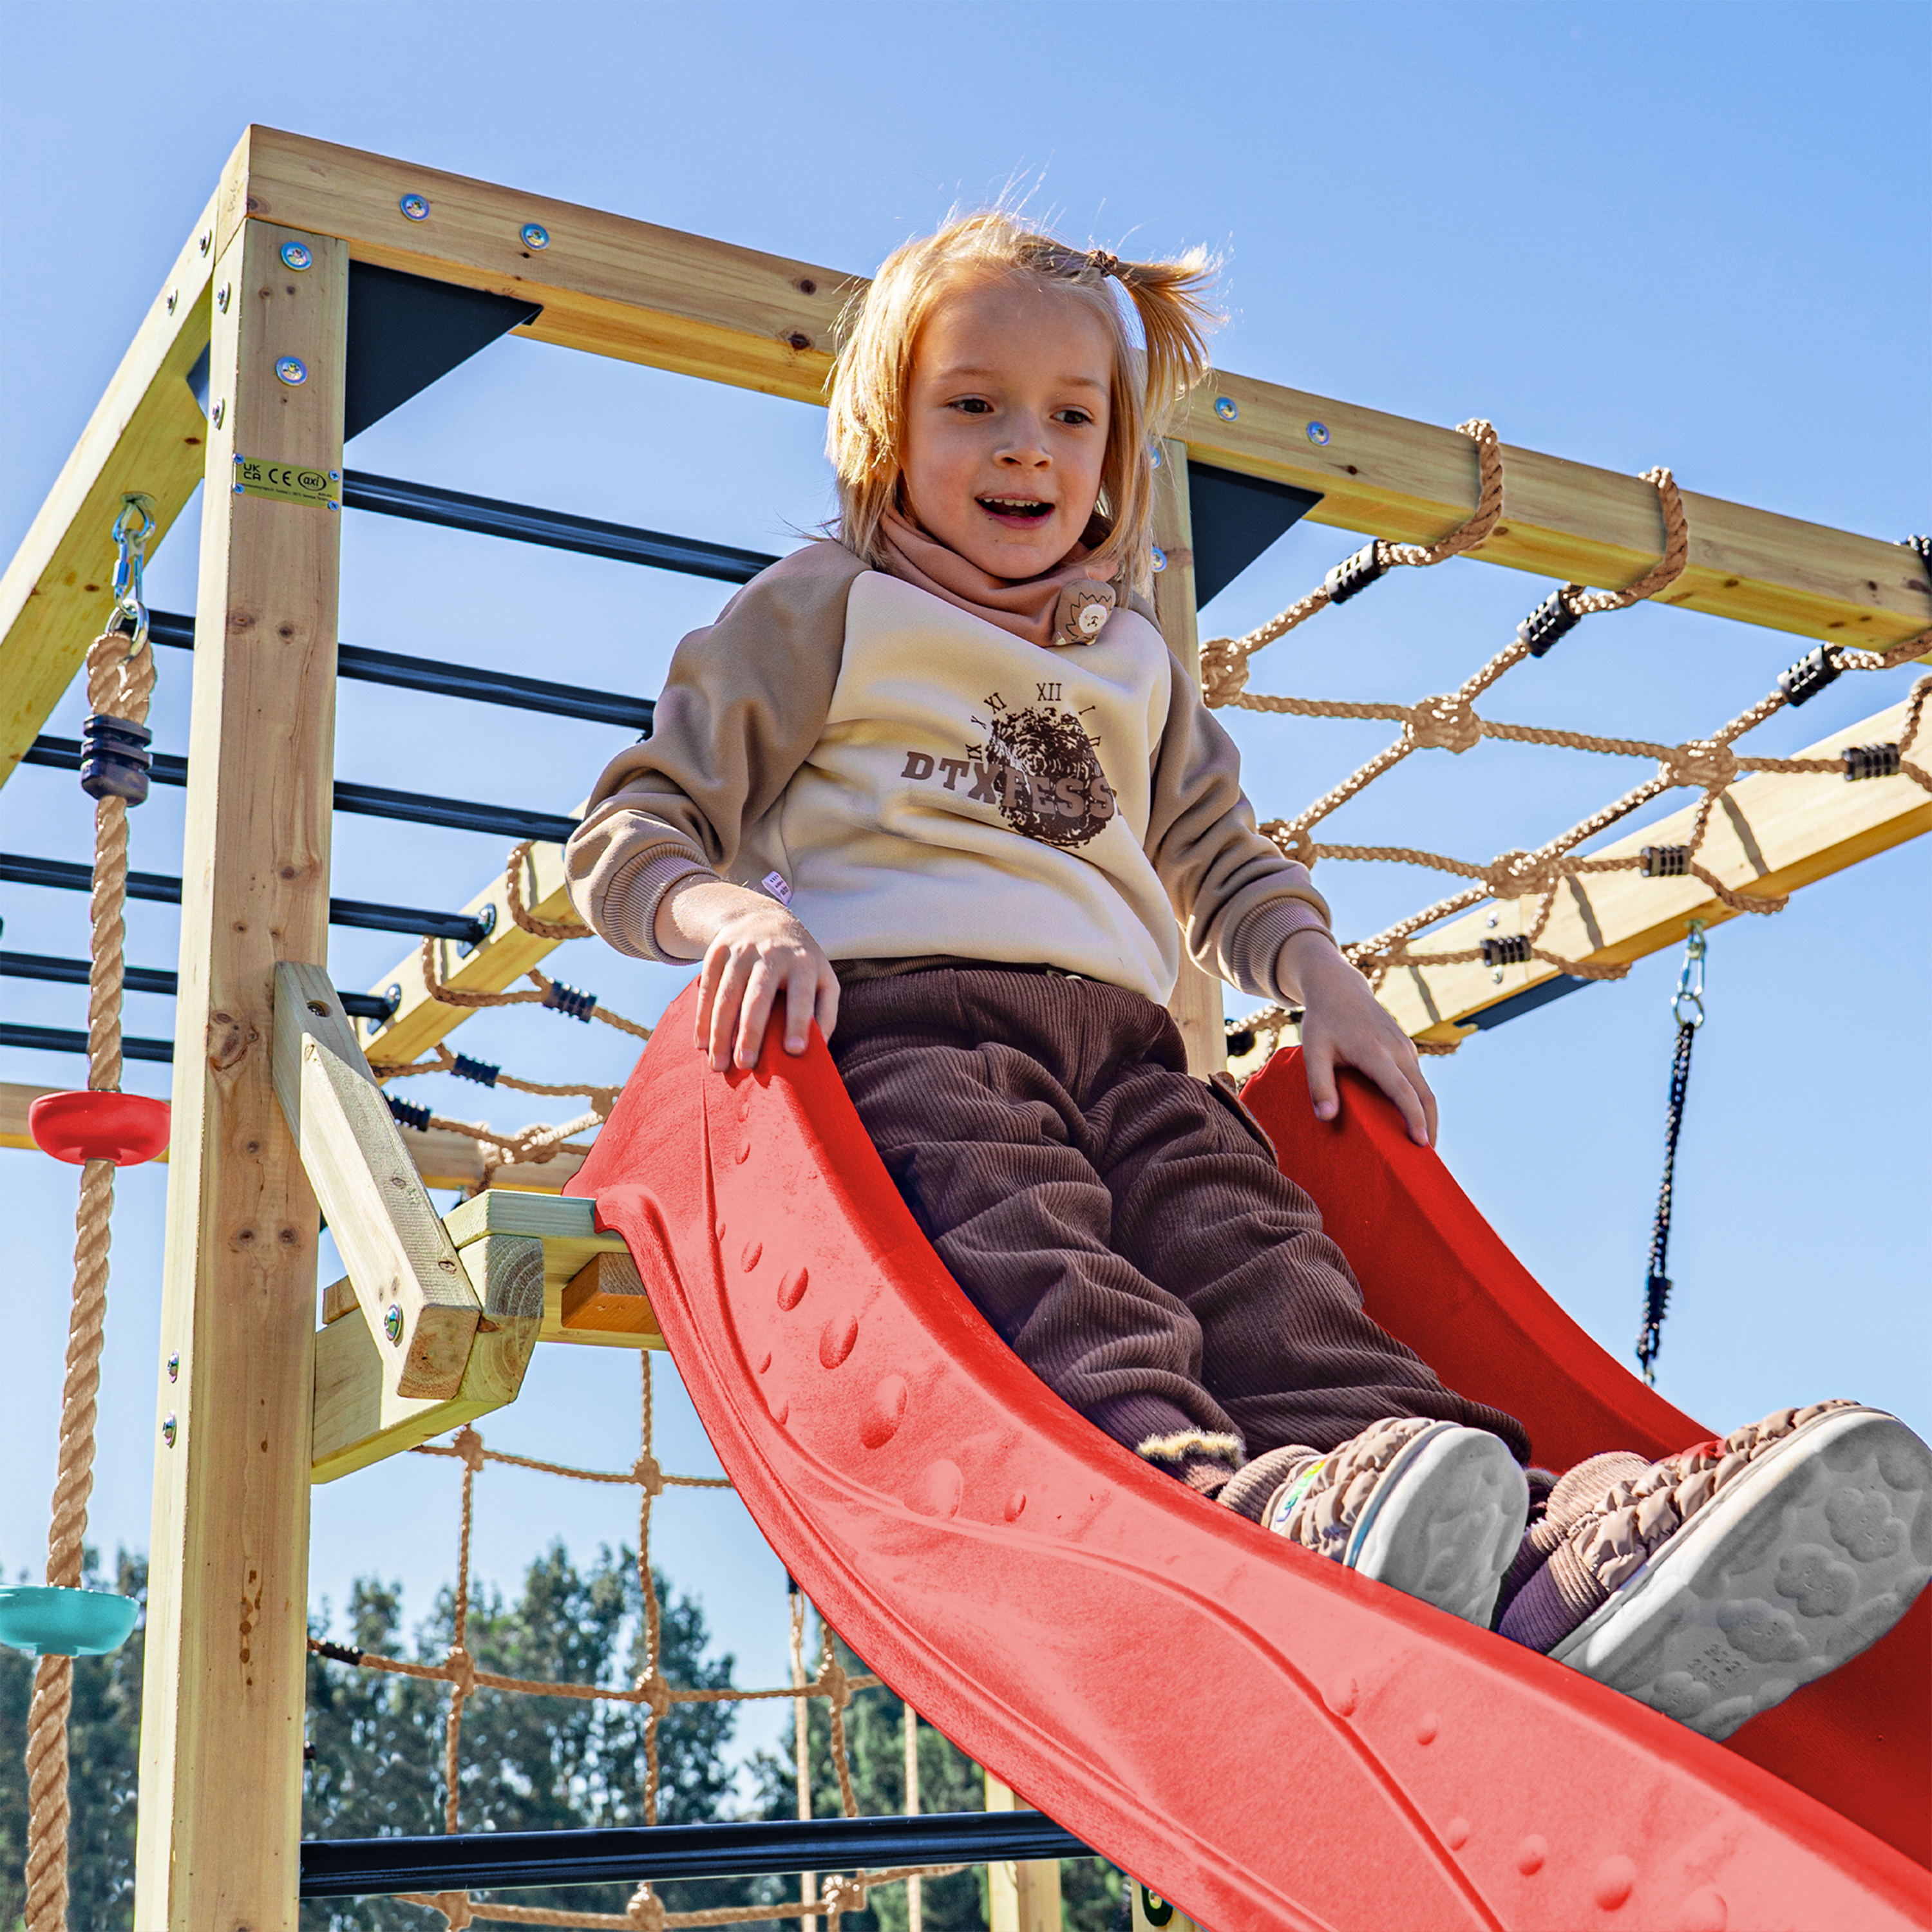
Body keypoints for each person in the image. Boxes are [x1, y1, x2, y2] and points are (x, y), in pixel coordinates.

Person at [564, 213, 1929, 1741]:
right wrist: (727, 916)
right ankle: (1229, 1518)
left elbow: (1219, 853)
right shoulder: (824, 609)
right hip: (914, 1042)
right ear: (885, 431)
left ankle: (1534, 1556)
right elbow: (637, 825)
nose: (1025, 447)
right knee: (1059, 1283)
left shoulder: (1131, 660)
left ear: (1115, 454)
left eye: (1071, 417)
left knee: (1277, 1285)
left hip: (1136, 1058)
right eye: (974, 404)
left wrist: (1318, 973)